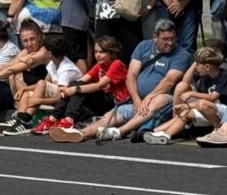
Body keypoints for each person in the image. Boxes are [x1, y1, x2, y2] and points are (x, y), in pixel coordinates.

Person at [58, 19, 193, 143]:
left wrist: (149, 97)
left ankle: (119, 132)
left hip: (163, 99)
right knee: (111, 117)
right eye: (165, 39)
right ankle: (81, 133)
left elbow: (169, 81)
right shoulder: (144, 46)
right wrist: (136, 100)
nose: (170, 43)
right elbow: (131, 76)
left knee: (160, 99)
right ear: (155, 37)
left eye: (173, 38)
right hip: (136, 99)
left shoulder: (181, 55)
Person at [143, 46, 227, 144]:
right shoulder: (206, 77)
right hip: (211, 109)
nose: (196, 67)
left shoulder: (224, 76)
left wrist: (191, 94)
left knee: (201, 104)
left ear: (207, 67)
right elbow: (185, 81)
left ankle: (219, 131)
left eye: (198, 65)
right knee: (185, 113)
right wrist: (185, 106)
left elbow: (212, 97)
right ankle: (163, 134)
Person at [44, 36, 128, 140]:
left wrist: (75, 89)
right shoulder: (100, 65)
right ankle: (53, 118)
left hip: (116, 101)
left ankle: (68, 120)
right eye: (95, 52)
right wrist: (67, 88)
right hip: (104, 99)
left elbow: (99, 85)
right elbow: (82, 80)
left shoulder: (117, 64)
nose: (97, 55)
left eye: (101, 52)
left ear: (112, 53)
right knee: (76, 84)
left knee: (79, 88)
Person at [0, 33, 82, 135]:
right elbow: (45, 84)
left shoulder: (66, 71)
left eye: (44, 49)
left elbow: (61, 99)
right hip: (58, 95)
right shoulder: (53, 63)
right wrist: (24, 89)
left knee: (40, 84)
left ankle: (25, 121)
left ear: (49, 53)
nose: (42, 51)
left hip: (68, 101)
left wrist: (38, 100)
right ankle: (20, 119)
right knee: (27, 93)